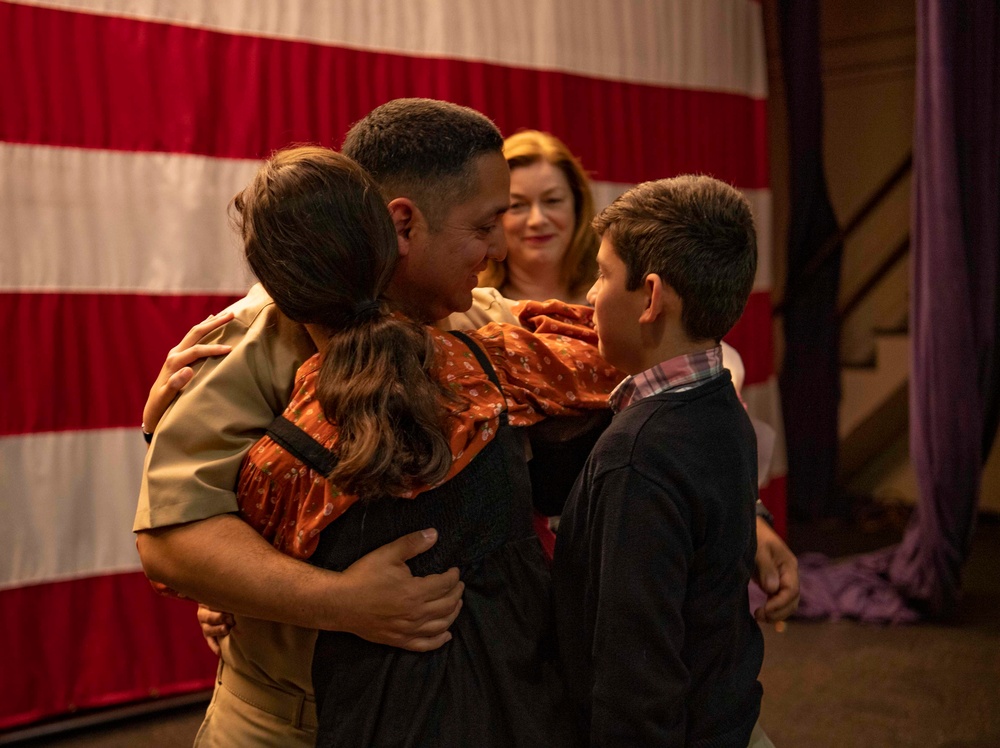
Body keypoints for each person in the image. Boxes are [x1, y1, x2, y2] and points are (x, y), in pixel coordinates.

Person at [228, 143, 623, 746]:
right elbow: (613, 360)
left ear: (279, 289)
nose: (499, 243)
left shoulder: (278, 462)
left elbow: (225, 563)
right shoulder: (493, 363)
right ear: (392, 236)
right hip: (519, 689)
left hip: (379, 714)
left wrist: (157, 421)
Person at [552, 175, 773, 746]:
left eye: (602, 274)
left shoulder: (639, 455)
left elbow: (635, 679)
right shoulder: (723, 405)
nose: (590, 297)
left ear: (650, 297)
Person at [480, 129, 598, 305]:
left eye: (552, 201)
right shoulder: (469, 309)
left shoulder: (614, 300)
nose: (538, 220)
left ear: (578, 206)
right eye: (517, 205)